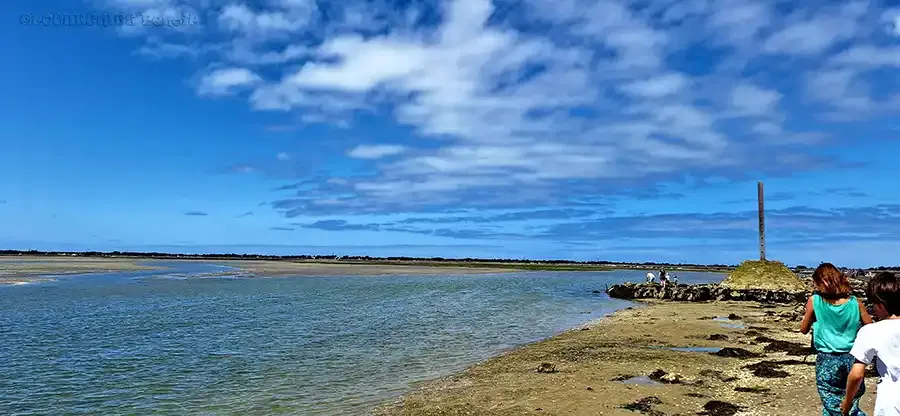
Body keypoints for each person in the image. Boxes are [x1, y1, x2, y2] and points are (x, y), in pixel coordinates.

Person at [800, 263, 872, 416]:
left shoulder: (815, 301)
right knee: (852, 397)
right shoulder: (855, 302)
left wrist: (815, 318)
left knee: (830, 398)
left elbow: (803, 329)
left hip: (827, 358)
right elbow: (870, 327)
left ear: (822, 282)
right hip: (853, 357)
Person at [842, 272, 900, 416]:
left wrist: (847, 402)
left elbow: (857, 374)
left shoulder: (871, 331)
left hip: (891, 402)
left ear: (880, 304)